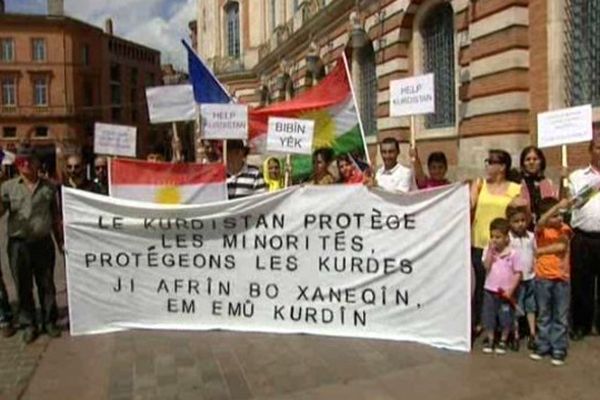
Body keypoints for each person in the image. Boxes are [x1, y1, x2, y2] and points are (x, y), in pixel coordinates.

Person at [0, 146, 62, 344]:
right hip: (19, 245)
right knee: (23, 286)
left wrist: (60, 241)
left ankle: (49, 321)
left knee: (46, 284)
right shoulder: (8, 187)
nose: (25, 164)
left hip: (43, 243)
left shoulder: (49, 187)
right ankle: (29, 324)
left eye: (29, 160)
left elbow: (55, 217)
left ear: (37, 163)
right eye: (21, 161)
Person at [470, 149, 522, 335]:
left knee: (501, 284)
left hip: (504, 248)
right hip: (480, 243)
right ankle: (482, 323)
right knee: (480, 287)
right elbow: (469, 207)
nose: (487, 165)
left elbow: (524, 215)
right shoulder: (480, 184)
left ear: (502, 166)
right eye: (487, 161)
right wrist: (472, 191)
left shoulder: (515, 188)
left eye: (490, 162)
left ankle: (505, 326)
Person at [530, 197, 573, 366]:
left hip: (561, 278)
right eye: (556, 216)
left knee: (560, 315)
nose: (559, 219)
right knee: (544, 313)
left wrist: (540, 251)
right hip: (543, 278)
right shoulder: (541, 230)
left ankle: (558, 347)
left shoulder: (564, 229)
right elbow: (540, 222)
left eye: (561, 215)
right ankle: (543, 345)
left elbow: (561, 247)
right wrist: (556, 207)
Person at [569, 138, 600, 341]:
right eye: (599, 147)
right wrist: (596, 185)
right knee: (581, 284)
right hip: (583, 237)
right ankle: (581, 324)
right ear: (591, 151)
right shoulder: (578, 176)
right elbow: (575, 202)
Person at [481, 218, 523, 354]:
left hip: (505, 292)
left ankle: (503, 339)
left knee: (505, 316)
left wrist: (511, 289)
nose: (494, 240)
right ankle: (491, 339)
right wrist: (490, 253)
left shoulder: (513, 253)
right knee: (489, 316)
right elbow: (486, 266)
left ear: (506, 237)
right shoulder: (489, 250)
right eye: (492, 236)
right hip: (490, 290)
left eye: (498, 237)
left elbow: (518, 273)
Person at [506, 205, 537, 350]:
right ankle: (516, 335)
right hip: (515, 280)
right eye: (516, 221)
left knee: (531, 306)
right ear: (509, 223)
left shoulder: (531, 237)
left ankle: (532, 333)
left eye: (523, 220)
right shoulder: (509, 239)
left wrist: (535, 267)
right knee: (516, 307)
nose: (520, 224)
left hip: (530, 277)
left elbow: (535, 253)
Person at [519, 146, 558, 227]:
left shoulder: (548, 183)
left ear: (541, 162)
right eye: (528, 159)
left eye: (535, 159)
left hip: (546, 228)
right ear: (523, 163)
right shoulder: (518, 183)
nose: (531, 162)